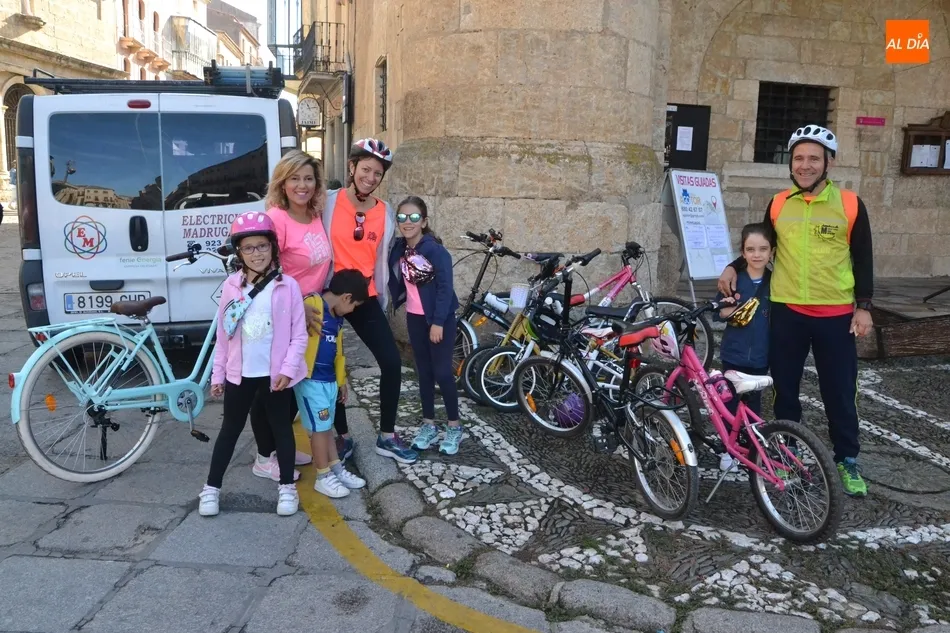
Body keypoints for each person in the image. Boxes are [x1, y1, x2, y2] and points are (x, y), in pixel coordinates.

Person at [717, 125, 874, 497]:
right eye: (799, 158)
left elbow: (863, 257)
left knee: (840, 391)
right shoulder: (778, 203)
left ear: (828, 163)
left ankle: (846, 459)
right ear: (791, 163)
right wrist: (733, 267)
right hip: (787, 312)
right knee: (785, 389)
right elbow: (760, 245)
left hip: (835, 315)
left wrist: (865, 306)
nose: (805, 165)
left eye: (814, 158)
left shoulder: (850, 204)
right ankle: (788, 448)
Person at [199, 211, 308, 517]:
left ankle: (287, 487)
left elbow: (299, 335)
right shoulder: (231, 286)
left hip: (275, 377)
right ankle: (211, 488)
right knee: (229, 431)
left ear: (273, 247)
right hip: (240, 375)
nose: (256, 253)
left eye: (262, 246)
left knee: (281, 430)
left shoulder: (288, 286)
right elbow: (223, 335)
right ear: (239, 252)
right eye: (248, 248)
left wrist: (288, 370)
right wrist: (218, 374)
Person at [323, 139, 417, 464]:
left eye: (377, 173)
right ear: (352, 168)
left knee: (391, 362)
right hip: (331, 296)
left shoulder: (385, 212)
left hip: (366, 297)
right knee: (328, 367)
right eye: (365, 169)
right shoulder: (328, 202)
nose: (370, 177)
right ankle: (342, 436)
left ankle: (387, 436)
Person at [248, 150, 333, 483]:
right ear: (282, 183)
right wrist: (299, 305)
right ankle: (264, 457)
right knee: (272, 389)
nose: (302, 185)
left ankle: (280, 444)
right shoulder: (277, 219)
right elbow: (264, 271)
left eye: (308, 178)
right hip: (283, 315)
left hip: (309, 314)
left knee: (296, 383)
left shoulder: (314, 215)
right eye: (294, 178)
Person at [387, 197, 463, 454]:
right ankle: (429, 424)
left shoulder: (435, 251)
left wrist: (438, 322)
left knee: (442, 372)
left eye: (414, 217)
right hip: (414, 318)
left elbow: (445, 289)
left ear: (424, 221)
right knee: (424, 372)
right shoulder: (399, 249)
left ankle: (454, 426)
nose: (407, 222)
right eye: (402, 217)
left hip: (439, 319)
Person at [295, 269, 370, 497]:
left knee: (326, 428)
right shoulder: (311, 304)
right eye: (354, 305)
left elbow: (338, 350)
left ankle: (336, 468)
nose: (353, 310)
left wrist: (341, 380)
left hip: (328, 381)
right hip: (311, 381)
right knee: (319, 430)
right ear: (346, 297)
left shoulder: (337, 317)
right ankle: (323, 475)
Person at [713, 223, 773, 471]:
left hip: (761, 355)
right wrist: (729, 309)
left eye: (763, 249)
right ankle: (728, 448)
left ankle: (749, 446)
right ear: (742, 252)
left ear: (772, 251)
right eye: (750, 249)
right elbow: (719, 312)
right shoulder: (734, 280)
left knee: (753, 405)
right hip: (734, 353)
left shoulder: (775, 282)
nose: (757, 254)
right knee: (729, 402)